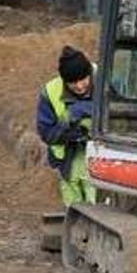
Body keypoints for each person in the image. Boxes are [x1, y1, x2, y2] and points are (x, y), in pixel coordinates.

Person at [36, 46, 98, 206]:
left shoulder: (105, 79)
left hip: (101, 158)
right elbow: (46, 133)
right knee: (74, 206)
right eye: (72, 83)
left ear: (89, 73)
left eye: (83, 79)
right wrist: (70, 128)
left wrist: (85, 109)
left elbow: (119, 112)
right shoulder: (51, 92)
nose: (79, 86)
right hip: (67, 161)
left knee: (98, 203)